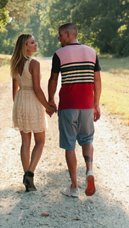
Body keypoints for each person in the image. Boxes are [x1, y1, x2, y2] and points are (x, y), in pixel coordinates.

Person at [47, 23, 101, 198]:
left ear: (68, 35)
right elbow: (97, 81)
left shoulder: (59, 54)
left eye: (60, 35)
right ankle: (89, 170)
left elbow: (53, 80)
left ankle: (74, 187)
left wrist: (50, 100)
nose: (58, 38)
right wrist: (96, 104)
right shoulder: (92, 52)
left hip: (68, 105)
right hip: (86, 104)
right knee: (87, 139)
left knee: (69, 145)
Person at [11, 33, 56, 192]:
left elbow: (14, 88)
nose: (35, 44)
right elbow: (37, 89)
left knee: (25, 142)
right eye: (32, 42)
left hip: (21, 100)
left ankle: (26, 176)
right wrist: (48, 106)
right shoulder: (34, 64)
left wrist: (17, 105)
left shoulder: (15, 62)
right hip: (32, 100)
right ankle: (30, 173)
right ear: (25, 46)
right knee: (40, 141)